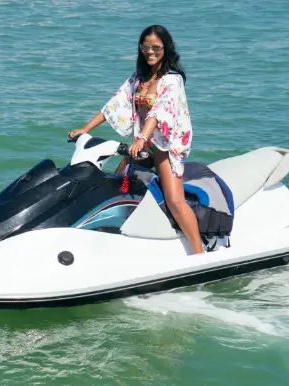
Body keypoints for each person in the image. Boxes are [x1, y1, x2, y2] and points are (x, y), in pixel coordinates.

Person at [69, 25, 204, 255]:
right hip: (140, 146)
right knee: (113, 184)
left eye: (156, 47)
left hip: (163, 146)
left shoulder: (172, 80)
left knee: (175, 200)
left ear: (166, 48)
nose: (150, 52)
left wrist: (142, 139)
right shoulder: (139, 78)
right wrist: (85, 129)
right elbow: (114, 104)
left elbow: (159, 112)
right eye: (145, 47)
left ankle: (199, 253)